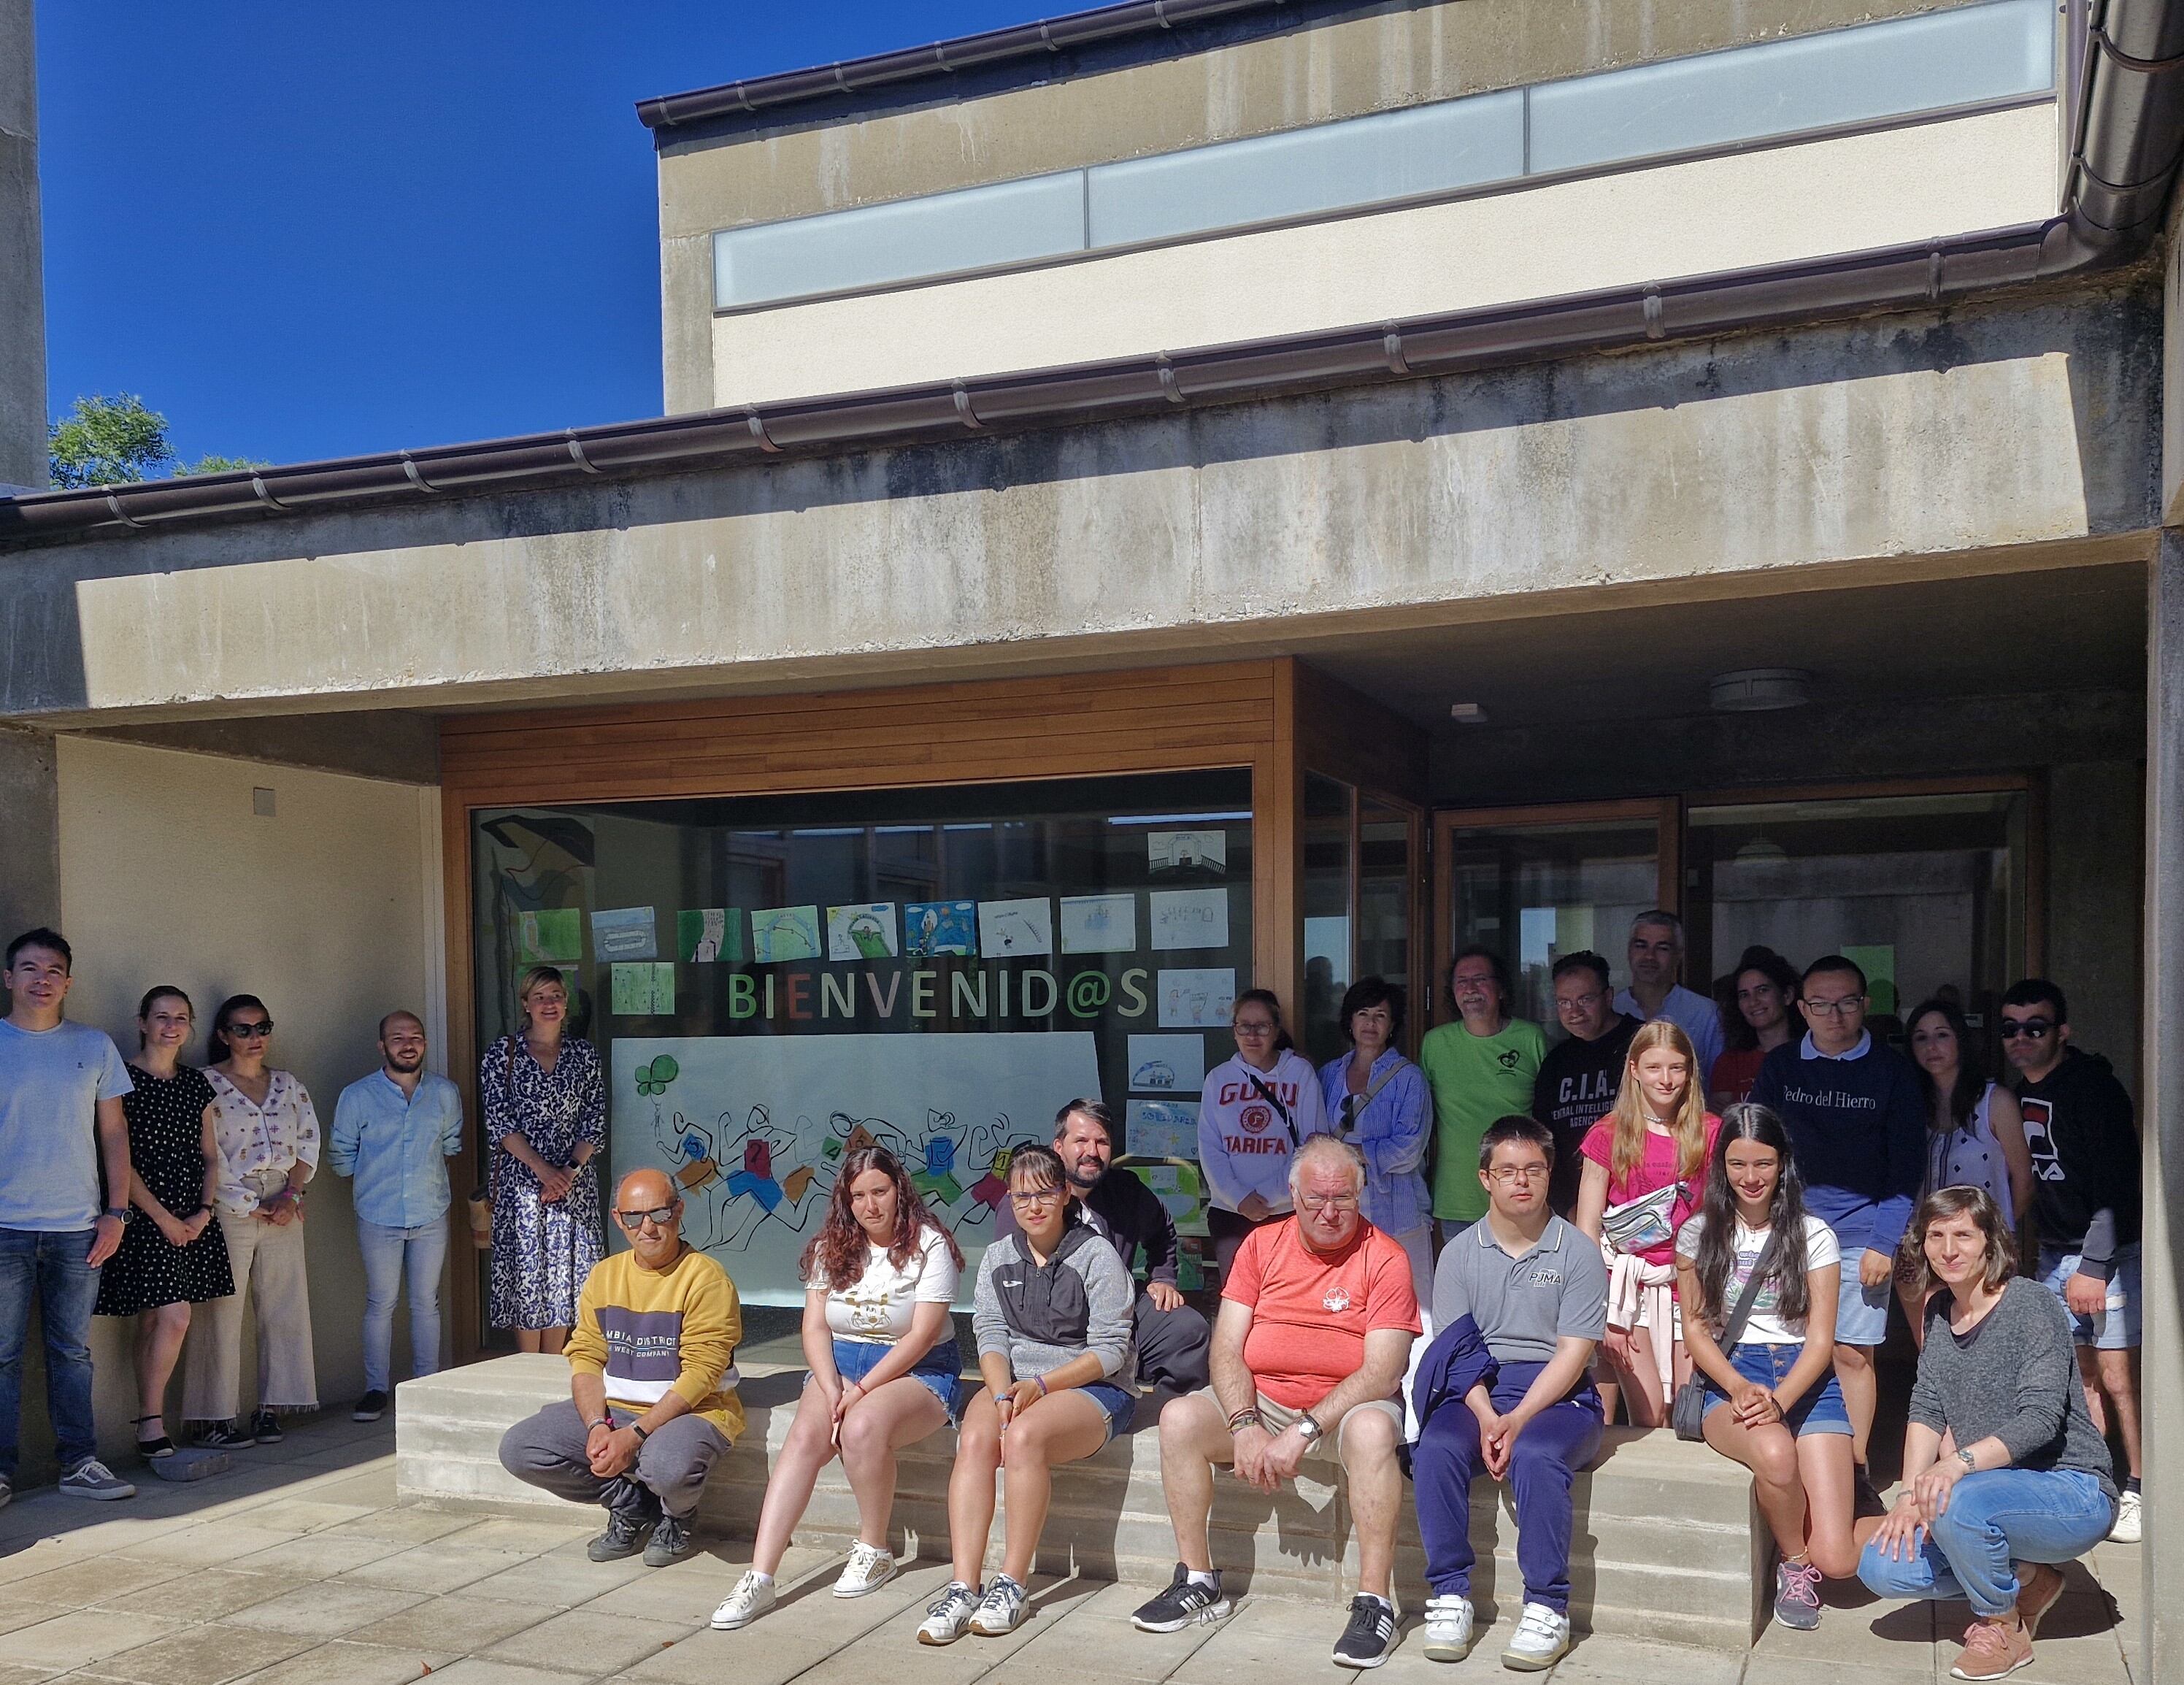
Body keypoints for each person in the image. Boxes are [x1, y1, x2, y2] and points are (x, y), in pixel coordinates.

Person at [1134, 1135, 1416, 1668]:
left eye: (1343, 1199)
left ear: (1361, 1196)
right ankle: (1197, 1579)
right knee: (1178, 1417)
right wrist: (1243, 1424)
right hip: (1263, 1402)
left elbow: (1383, 1371)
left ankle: (1374, 1600)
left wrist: (1304, 1430)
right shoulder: (1261, 1245)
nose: (1330, 1213)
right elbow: (1227, 1348)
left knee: (1376, 1430)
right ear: (1293, 1193)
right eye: (1316, 1199)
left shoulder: (1386, 1258)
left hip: (1343, 1413)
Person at [1860, 1187, 2118, 1683]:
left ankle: (2003, 1627)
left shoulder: (2032, 1304)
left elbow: (2041, 1418)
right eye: (1937, 1235)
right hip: (1986, 1492)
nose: (1949, 1249)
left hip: (2070, 1489)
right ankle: (2029, 1579)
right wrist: (1911, 1494)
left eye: (1963, 1235)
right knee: (1881, 1565)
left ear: (1990, 1241)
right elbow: (1927, 1406)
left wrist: (1955, 1466)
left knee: (1954, 1500)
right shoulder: (1939, 1312)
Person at [711, 1147, 960, 1628]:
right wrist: (830, 1386)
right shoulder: (832, 1246)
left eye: (880, 1192)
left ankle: (875, 1548)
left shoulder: (930, 1245)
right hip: (840, 1361)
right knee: (805, 1437)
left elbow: (923, 1334)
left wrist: (861, 1389)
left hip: (917, 1366)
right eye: (859, 1195)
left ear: (899, 1190)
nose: (870, 1206)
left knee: (861, 1427)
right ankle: (760, 1577)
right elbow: (814, 1328)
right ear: (846, 1200)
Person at [919, 1145, 1136, 1645]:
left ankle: (1012, 1584)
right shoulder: (998, 1256)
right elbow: (990, 1333)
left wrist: (1039, 1387)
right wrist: (1000, 1395)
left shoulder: (1096, 1254)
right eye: (1022, 1197)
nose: (1034, 1206)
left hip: (1090, 1386)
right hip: (1014, 1382)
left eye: (1044, 1193)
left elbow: (1110, 1352)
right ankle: (962, 1586)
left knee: (1023, 1437)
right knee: (975, 1440)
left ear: (1063, 1195)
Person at [1413, 1117, 1605, 1672]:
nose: (1521, 1182)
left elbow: (1574, 1353)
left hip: (1557, 1394)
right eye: (1507, 1171)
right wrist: (1485, 1413)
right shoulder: (1458, 1254)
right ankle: (1451, 1594)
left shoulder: (1577, 1252)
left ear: (1550, 1175)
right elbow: (1456, 1349)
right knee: (1438, 1447)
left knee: (1538, 1455)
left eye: (1534, 1170)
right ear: (1484, 1178)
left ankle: (1548, 1606)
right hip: (1476, 1387)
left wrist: (1517, 1419)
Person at [499, 1168, 743, 1568]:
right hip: (619, 1408)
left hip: (694, 1410)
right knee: (522, 1448)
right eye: (633, 1217)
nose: (647, 1227)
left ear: (679, 1211)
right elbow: (586, 1357)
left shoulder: (706, 1278)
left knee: (666, 1467)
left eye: (659, 1214)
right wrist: (598, 1426)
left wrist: (635, 1435)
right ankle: (630, 1504)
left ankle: (677, 1517)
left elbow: (702, 1373)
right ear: (618, 1219)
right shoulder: (606, 1274)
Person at [1677, 1103, 1861, 1632]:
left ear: (1783, 1164)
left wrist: (1779, 1400)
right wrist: (1738, 1387)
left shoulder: (1814, 1233)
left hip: (1805, 1377)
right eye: (1738, 1164)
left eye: (1763, 1163)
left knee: (1842, 1560)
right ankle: (1795, 1567)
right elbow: (1695, 1330)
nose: (1751, 1178)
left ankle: (1903, 1525)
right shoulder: (1697, 1234)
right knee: (1776, 1453)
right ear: (1721, 1167)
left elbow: (1821, 1340)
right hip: (1730, 1373)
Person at [1750, 956, 1923, 1495]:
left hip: (1859, 1237)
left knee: (1851, 1352)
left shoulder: (1892, 1072)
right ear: (1801, 1009)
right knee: (1789, 1350)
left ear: (1865, 1006)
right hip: (1786, 1237)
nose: (1835, 1015)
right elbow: (1754, 1148)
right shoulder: (1781, 1067)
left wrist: (1884, 1242)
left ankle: (1854, 1470)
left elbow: (1906, 1167)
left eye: (1847, 1002)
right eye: (1820, 1004)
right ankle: (1799, 1461)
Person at [2000, 978, 2142, 1544]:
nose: (2022, 1038)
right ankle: (2096, 1480)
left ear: (2062, 1031)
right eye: (2011, 1028)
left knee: (2118, 1377)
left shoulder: (2094, 1089)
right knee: (2077, 1376)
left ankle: (2139, 1485)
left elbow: (2118, 1185)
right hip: (2054, 1254)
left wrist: (2095, 1265)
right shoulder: (2020, 1090)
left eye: (2035, 1027)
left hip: (2102, 1255)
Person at [0, 929, 138, 1503]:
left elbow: (114, 1133)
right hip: (4, 1228)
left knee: (71, 1352)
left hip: (79, 1229)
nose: (41, 979)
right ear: (9, 978)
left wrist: (117, 1213)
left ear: (68, 982)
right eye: (28, 968)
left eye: (53, 970)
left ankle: (80, 1464)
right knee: (2, 1355)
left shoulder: (94, 1045)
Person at [93, 987, 234, 1462]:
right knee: (175, 1316)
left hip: (192, 1218)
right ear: (142, 1022)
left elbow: (211, 1156)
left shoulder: (196, 1084)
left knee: (159, 1319)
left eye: (180, 1018)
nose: (171, 1026)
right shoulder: (121, 1079)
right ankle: (151, 1421)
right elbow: (119, 1158)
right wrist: (163, 1219)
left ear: (190, 1026)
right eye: (161, 1017)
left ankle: (145, 1420)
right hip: (143, 1217)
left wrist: (203, 1211)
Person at [182, 994, 320, 1449]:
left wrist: (291, 1195)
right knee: (222, 1308)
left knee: (284, 1305)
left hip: (285, 1198)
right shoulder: (205, 1084)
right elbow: (206, 1154)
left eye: (262, 1027)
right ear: (223, 1035)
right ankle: (214, 1416)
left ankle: (272, 1408)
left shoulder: (288, 1084)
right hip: (228, 1202)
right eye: (242, 1029)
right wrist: (244, 1202)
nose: (254, 1037)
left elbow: (308, 1142)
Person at [998, 1099, 1210, 1396]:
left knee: (1186, 1329)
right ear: (1058, 1146)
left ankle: (1173, 1417)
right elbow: (1009, 1279)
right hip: (1054, 1325)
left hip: (1118, 1311)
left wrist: (1162, 1277)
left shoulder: (1126, 1189)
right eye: (1081, 1141)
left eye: (1102, 1142)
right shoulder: (1027, 1203)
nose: (1092, 1152)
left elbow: (1162, 1229)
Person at [1572, 1021, 1719, 1428]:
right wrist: (1598, 1307)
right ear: (1634, 1069)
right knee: (1650, 1415)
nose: (1666, 1080)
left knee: (1690, 1415)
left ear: (1690, 1071)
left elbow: (1722, 1219)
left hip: (1689, 1285)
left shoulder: (1710, 1131)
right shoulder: (1608, 1133)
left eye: (1676, 1068)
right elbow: (1587, 1226)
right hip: (1627, 1288)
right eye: (1654, 1068)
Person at [328, 1010, 465, 1421]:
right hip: (378, 1213)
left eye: (416, 1037)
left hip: (430, 1211)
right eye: (398, 1037)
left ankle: (427, 1385)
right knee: (381, 1302)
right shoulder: (357, 1096)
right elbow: (340, 1157)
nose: (408, 1044)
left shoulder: (444, 1093)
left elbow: (452, 1145)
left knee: (427, 1302)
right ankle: (375, 1389)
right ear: (382, 1045)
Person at [483, 966, 606, 1354]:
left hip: (574, 1181)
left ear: (566, 1002)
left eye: (555, 995)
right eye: (539, 997)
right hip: (523, 1184)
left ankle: (552, 1365)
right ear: (526, 1005)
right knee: (528, 1272)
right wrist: (544, 1171)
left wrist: (568, 1171)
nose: (549, 1004)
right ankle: (526, 1365)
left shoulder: (583, 1055)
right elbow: (499, 1122)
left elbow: (595, 1119)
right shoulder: (502, 1054)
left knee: (564, 1278)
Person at [1198, 989, 1331, 1280]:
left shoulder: (1300, 1073)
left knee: (1284, 1298)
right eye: (1244, 1026)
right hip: (1231, 1212)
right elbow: (1210, 1147)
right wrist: (1239, 1197)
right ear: (1234, 1031)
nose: (1252, 1035)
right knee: (1238, 1302)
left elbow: (1313, 1145)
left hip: (1287, 1210)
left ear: (1276, 1030)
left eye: (1262, 1027)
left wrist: (1270, 1196)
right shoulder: (1218, 1079)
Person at [1318, 978, 1432, 1305]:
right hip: (1339, 1204)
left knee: (1411, 1299)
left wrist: (1348, 1152)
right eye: (1363, 1014)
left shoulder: (1409, 1078)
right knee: (1346, 1297)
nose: (1370, 1023)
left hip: (1399, 1207)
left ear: (1392, 1024)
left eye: (1380, 1015)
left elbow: (1409, 1149)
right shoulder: (1328, 1075)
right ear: (1350, 1021)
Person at [1420, 948, 1545, 1240]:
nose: (1470, 989)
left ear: (1501, 989)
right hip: (1457, 1200)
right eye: (1461, 982)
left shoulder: (1531, 1039)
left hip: (1521, 1192)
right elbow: (1421, 1122)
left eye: (1480, 979)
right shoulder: (1435, 1044)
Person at [1531, 952, 1638, 1218]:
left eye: (1585, 1000)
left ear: (1609, 997)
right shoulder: (1556, 1063)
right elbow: (1544, 1144)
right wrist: (1569, 1207)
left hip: (1641, 1207)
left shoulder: (1643, 1045)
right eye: (1564, 1002)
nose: (1574, 1012)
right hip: (1575, 1212)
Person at [1613, 911, 1724, 1091]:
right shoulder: (1611, 1009)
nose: (1649, 956)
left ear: (1679, 955)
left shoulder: (1706, 1014)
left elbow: (1717, 1088)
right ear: (1628, 950)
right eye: (1641, 946)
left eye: (1662, 948)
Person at [1708, 947, 1801, 1108]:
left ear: (1787, 995)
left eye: (1762, 990)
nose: (1754, 1002)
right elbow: (1724, 1122)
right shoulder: (1730, 1062)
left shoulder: (1811, 1055)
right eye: (1744, 995)